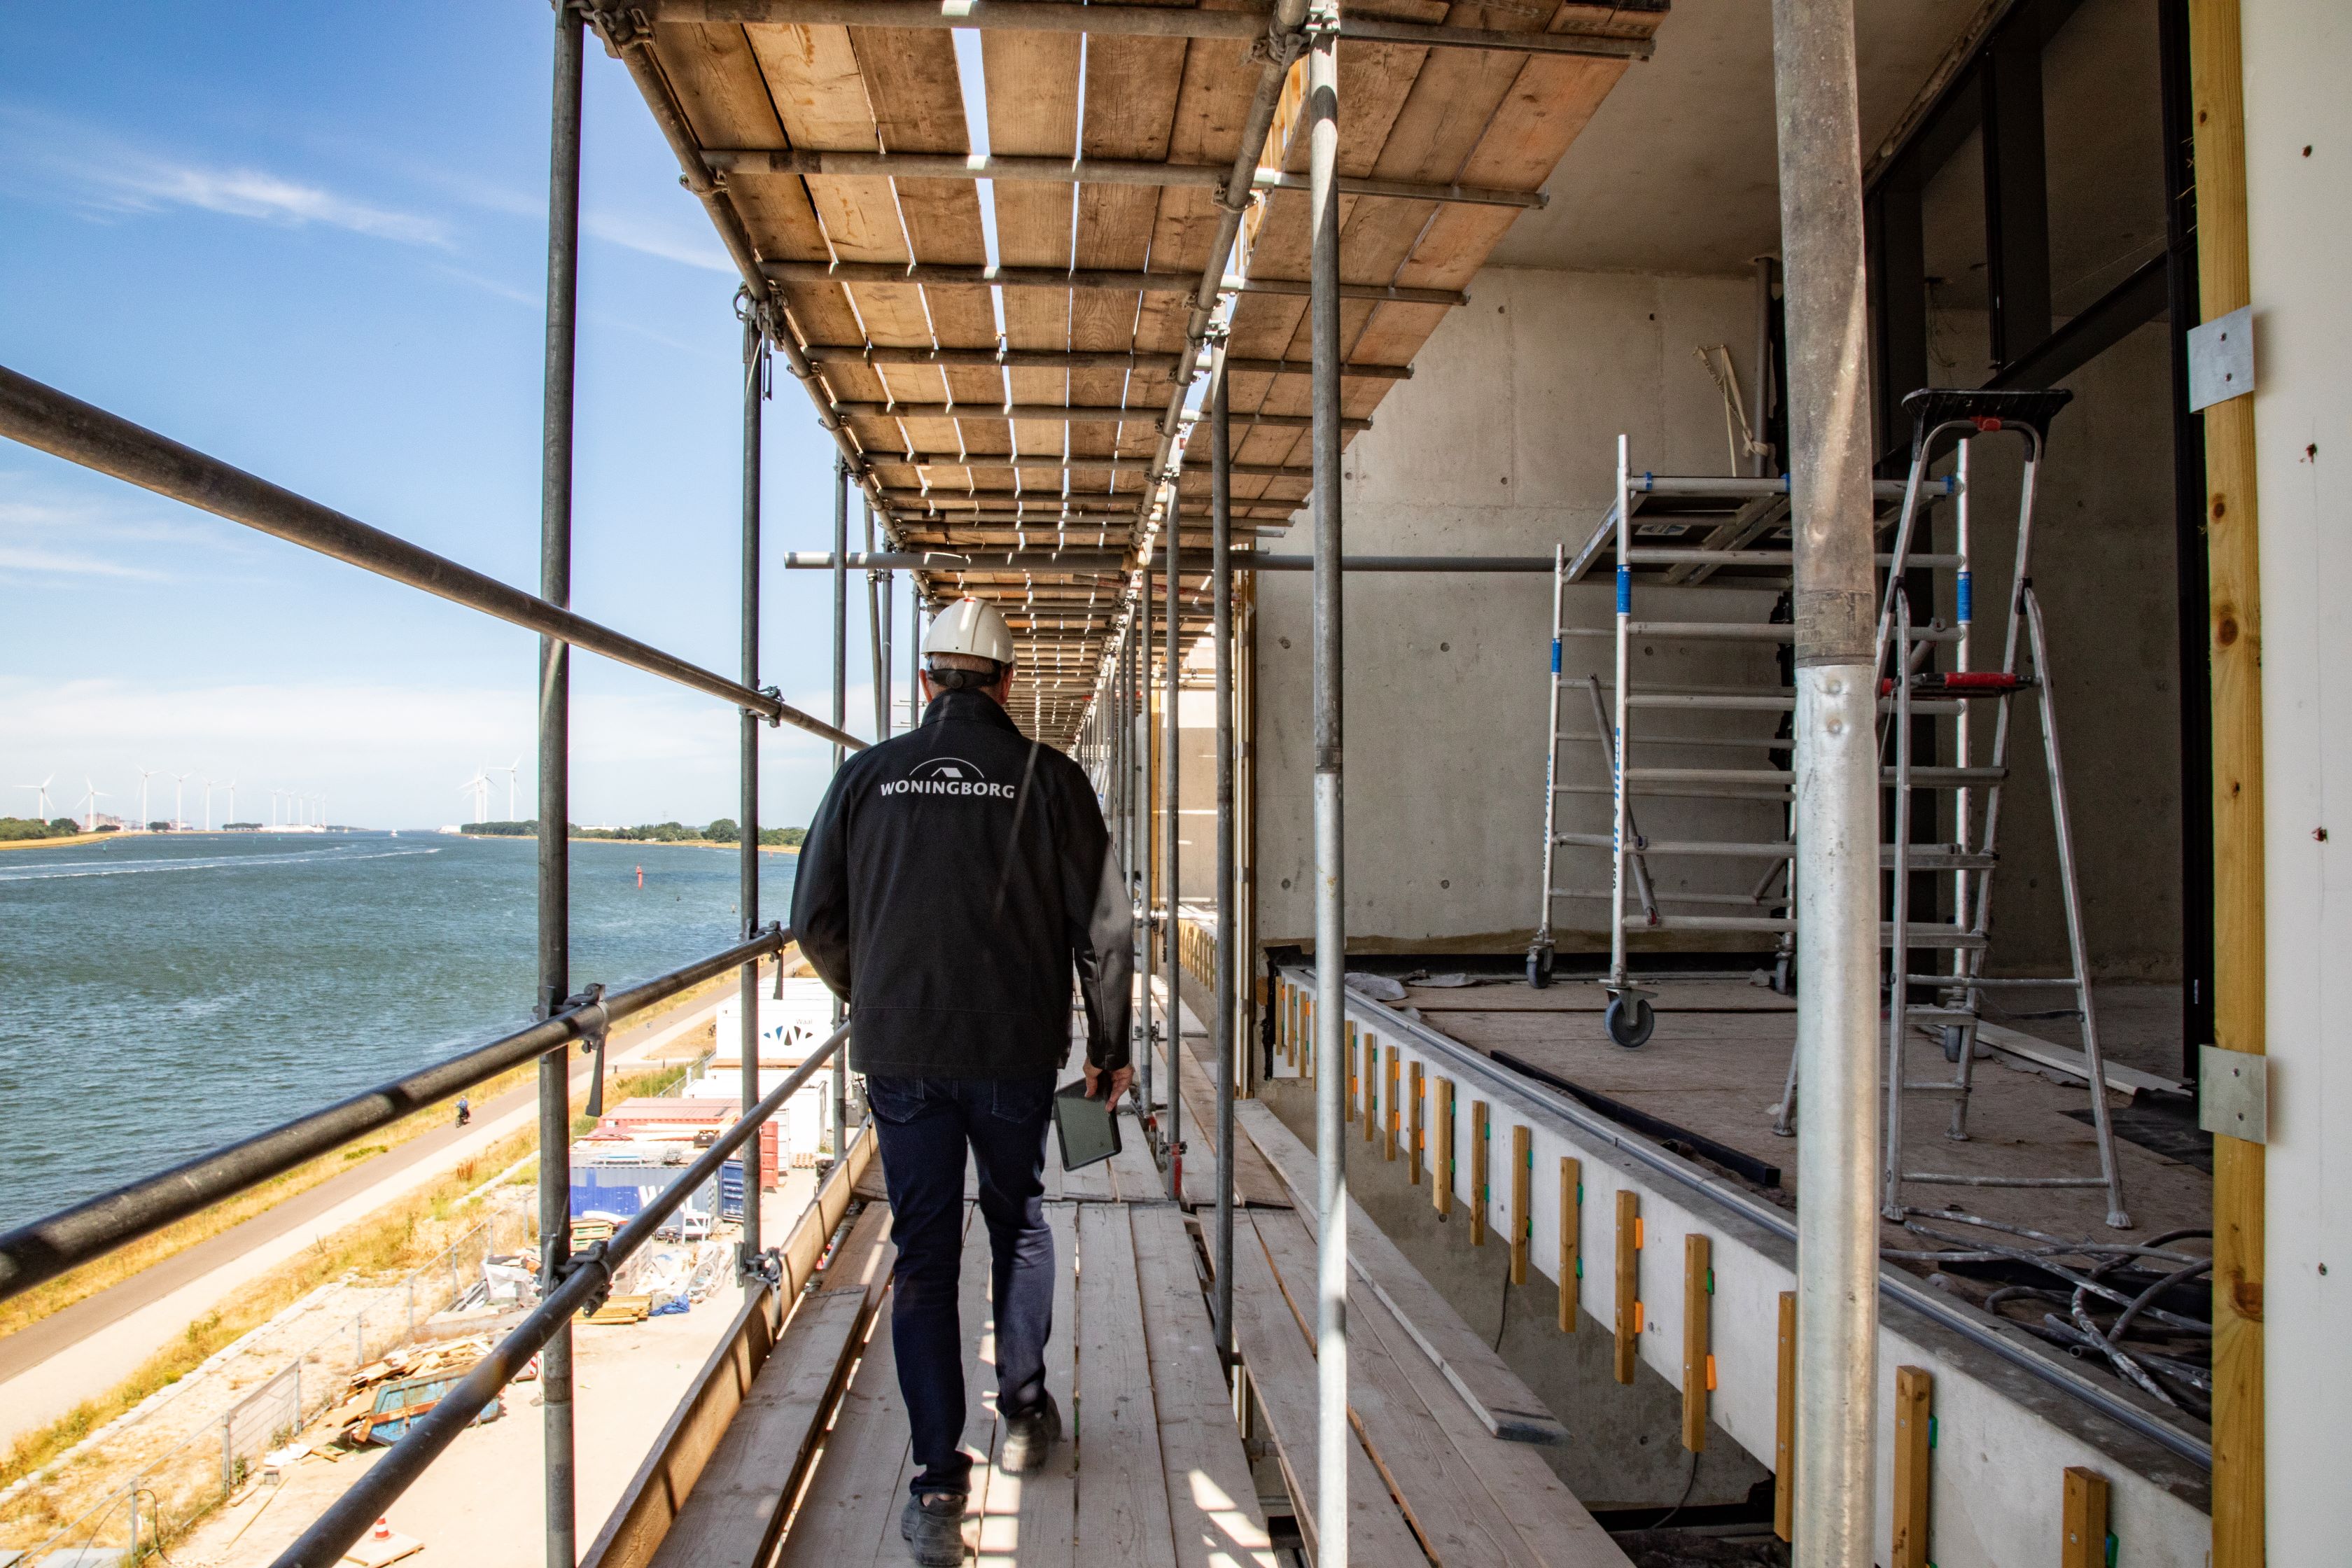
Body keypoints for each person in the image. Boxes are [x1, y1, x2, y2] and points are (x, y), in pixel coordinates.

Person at [792, 598, 1133, 1567]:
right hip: (1015, 1051)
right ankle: (1023, 1412)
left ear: (926, 682)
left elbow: (815, 917)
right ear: (1010, 683)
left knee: (924, 1252)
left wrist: (885, 991)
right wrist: (1107, 1046)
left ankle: (938, 1485)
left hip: (903, 1054)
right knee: (1018, 1218)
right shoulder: (1051, 778)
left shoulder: (864, 777)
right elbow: (1105, 933)